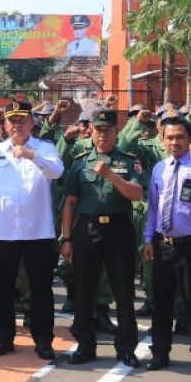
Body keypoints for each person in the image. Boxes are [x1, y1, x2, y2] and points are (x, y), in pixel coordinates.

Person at [0, 101, 63, 359]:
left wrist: (32, 155)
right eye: (12, 120)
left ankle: (43, 340)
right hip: (2, 233)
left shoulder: (45, 148)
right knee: (1, 289)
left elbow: (57, 172)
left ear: (32, 122)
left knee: (41, 290)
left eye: (22, 120)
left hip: (39, 233)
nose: (17, 125)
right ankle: (3, 338)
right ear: (5, 124)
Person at [61, 107, 144, 366]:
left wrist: (110, 175)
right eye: (98, 130)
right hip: (87, 229)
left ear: (116, 132)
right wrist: (66, 238)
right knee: (84, 289)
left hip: (119, 229)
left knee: (123, 290)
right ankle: (85, 345)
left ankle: (126, 348)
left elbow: (137, 194)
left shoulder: (129, 160)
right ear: (91, 131)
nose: (102, 134)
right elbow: (70, 202)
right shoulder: (80, 161)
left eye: (107, 130)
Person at [141, 112, 191, 377]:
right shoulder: (159, 168)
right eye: (170, 137)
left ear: (190, 139)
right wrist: (148, 238)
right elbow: (153, 206)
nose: (175, 142)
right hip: (164, 244)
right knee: (161, 301)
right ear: (162, 139)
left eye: (180, 137)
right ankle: (161, 351)